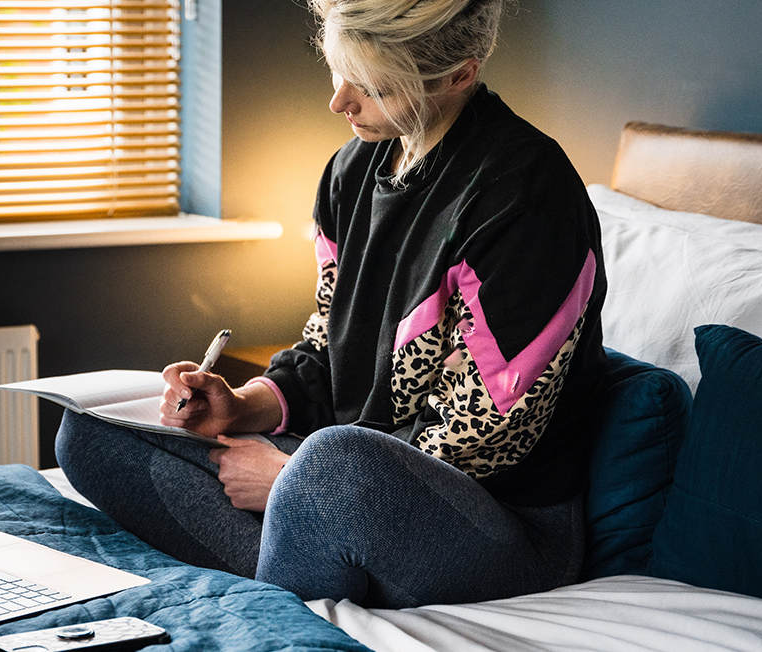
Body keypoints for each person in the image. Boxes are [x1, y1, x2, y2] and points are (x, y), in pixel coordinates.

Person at [56, 0, 607, 609]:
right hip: (344, 473)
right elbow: (327, 346)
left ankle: (286, 578)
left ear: (459, 75)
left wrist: (288, 480)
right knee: (86, 430)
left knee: (332, 463)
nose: (339, 101)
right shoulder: (350, 171)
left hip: (499, 523)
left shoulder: (526, 196)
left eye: (370, 85)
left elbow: (483, 436)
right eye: (337, 70)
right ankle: (303, 558)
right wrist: (241, 407)